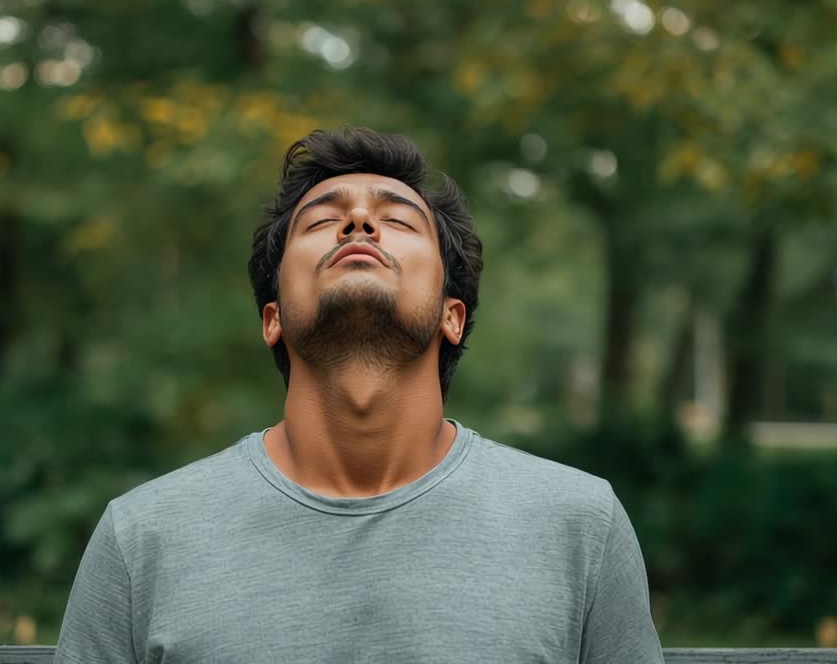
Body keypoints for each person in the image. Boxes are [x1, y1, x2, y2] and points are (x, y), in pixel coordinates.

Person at [53, 127, 665, 663]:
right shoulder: (142, 538)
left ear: (453, 315)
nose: (359, 223)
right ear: (273, 319)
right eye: (322, 221)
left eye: (397, 220)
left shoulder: (580, 526)